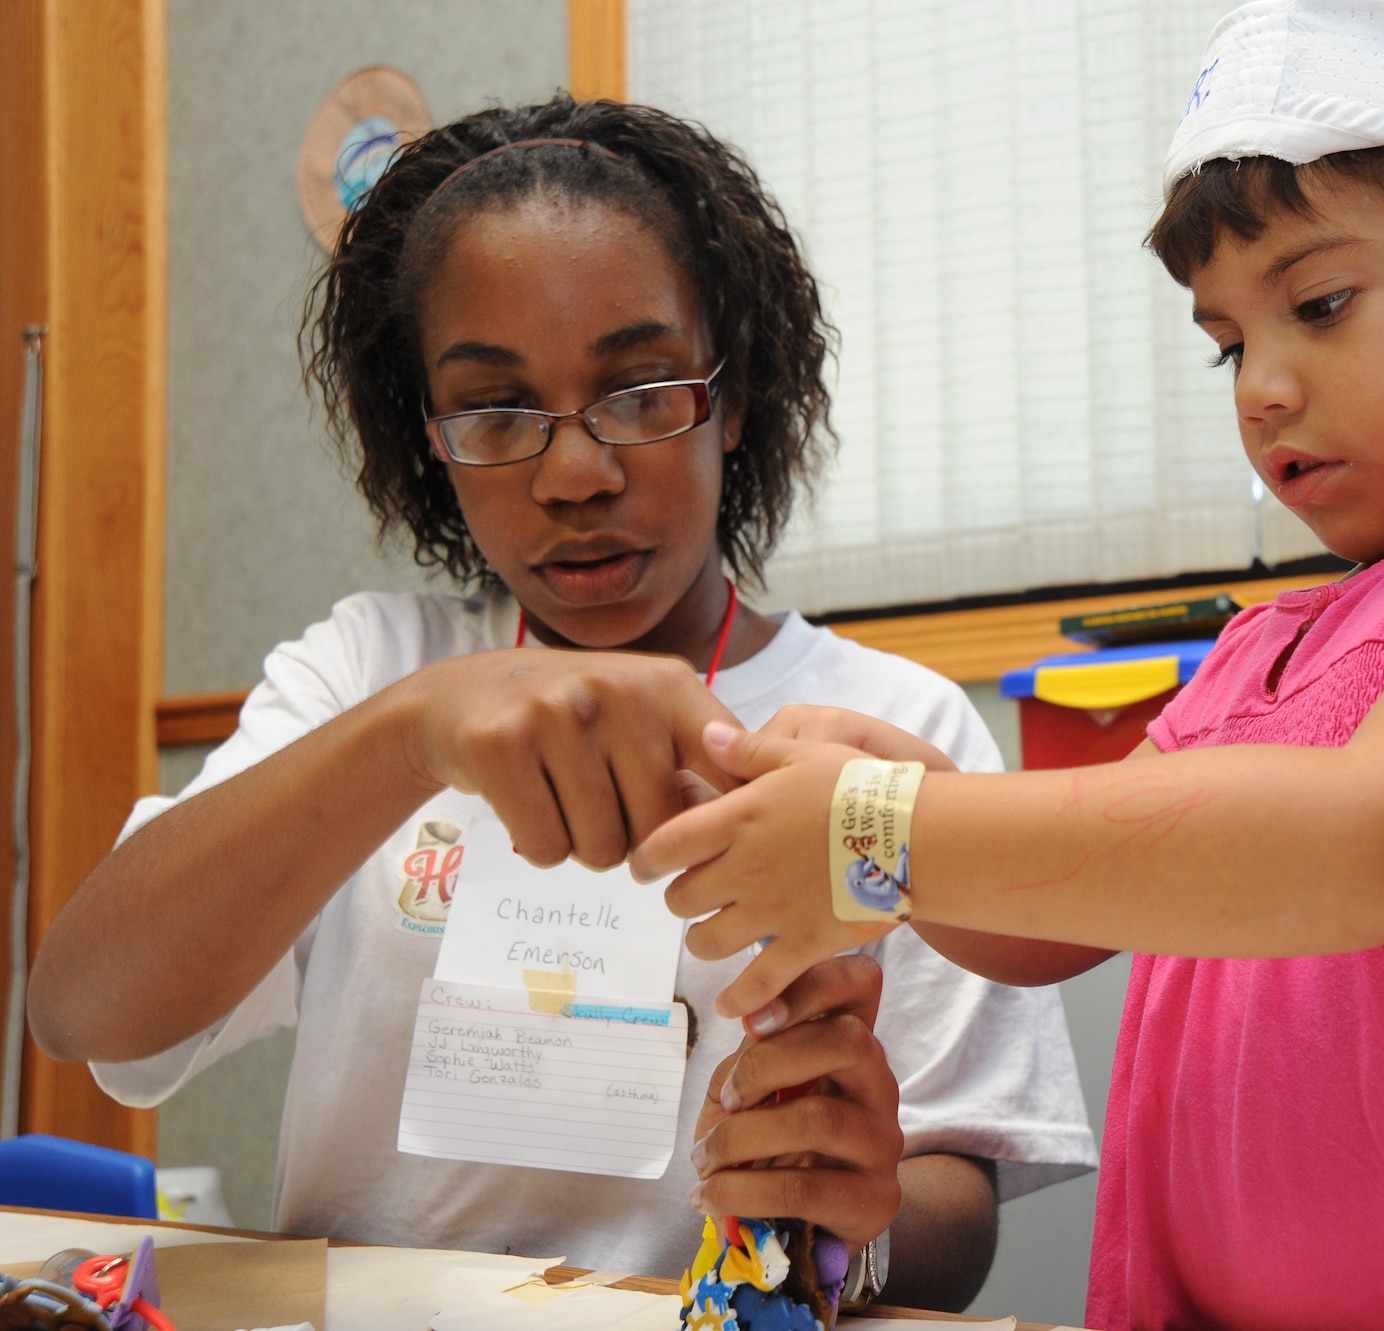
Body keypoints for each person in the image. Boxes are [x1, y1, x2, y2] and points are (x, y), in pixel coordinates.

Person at [634, 2, 1384, 1326]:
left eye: (1321, 304)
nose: (1260, 388)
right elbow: (1041, 918)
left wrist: (881, 826)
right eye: (1231, 340)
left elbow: (1374, 840)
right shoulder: (1263, 650)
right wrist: (873, 785)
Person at [25, 96, 1095, 1307]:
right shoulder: (364, 671)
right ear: (428, 436)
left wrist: (857, 1222)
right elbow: (86, 1011)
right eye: (495, 411)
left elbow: (957, 1188)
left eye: (640, 392)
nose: (573, 473)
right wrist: (412, 727)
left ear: (732, 400)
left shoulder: (887, 726)